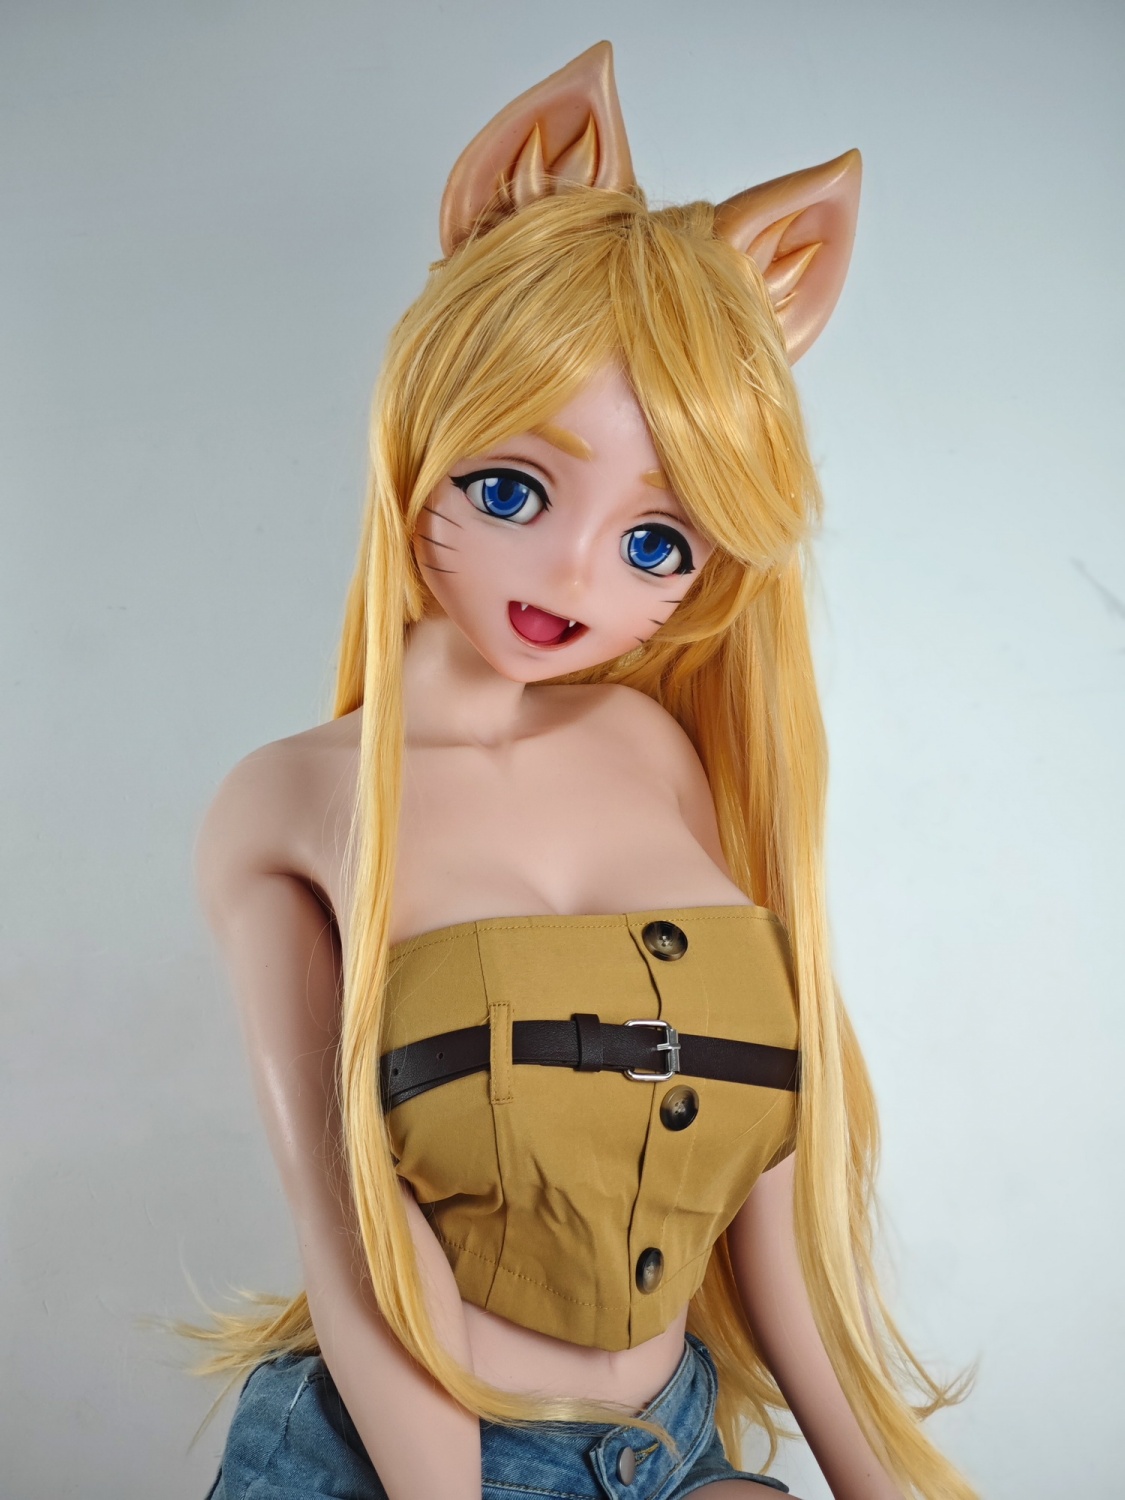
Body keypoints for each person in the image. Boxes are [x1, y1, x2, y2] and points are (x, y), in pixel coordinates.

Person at [191, 42, 976, 1500]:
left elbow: (772, 1187)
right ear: (417, 441)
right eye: (511, 488)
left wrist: (875, 1476)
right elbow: (357, 1242)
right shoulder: (291, 804)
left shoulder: (656, 749)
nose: (573, 576)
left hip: (668, 1445)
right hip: (394, 1464)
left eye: (654, 541)